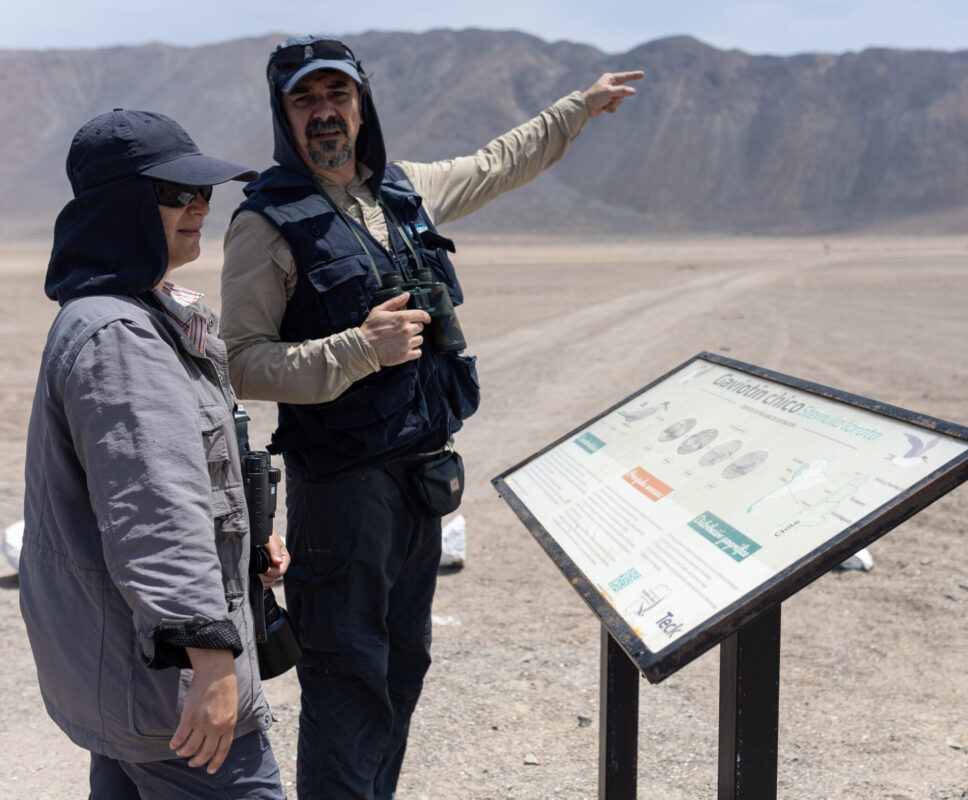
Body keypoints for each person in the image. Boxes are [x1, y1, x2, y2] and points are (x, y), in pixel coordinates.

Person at [219, 34, 642, 798]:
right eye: (305, 100)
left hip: (422, 483)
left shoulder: (402, 192)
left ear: (361, 102)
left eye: (337, 96)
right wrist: (359, 348)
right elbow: (243, 361)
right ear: (283, 115)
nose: (325, 114)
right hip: (345, 493)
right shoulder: (266, 225)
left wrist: (578, 109)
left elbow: (497, 162)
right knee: (348, 677)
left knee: (402, 665)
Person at [20, 109, 290, 799]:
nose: (201, 206)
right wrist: (210, 657)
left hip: (130, 673)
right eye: (177, 193)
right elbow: (154, 510)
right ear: (123, 208)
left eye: (204, 192)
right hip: (166, 684)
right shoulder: (121, 336)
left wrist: (243, 542)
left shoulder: (140, 310)